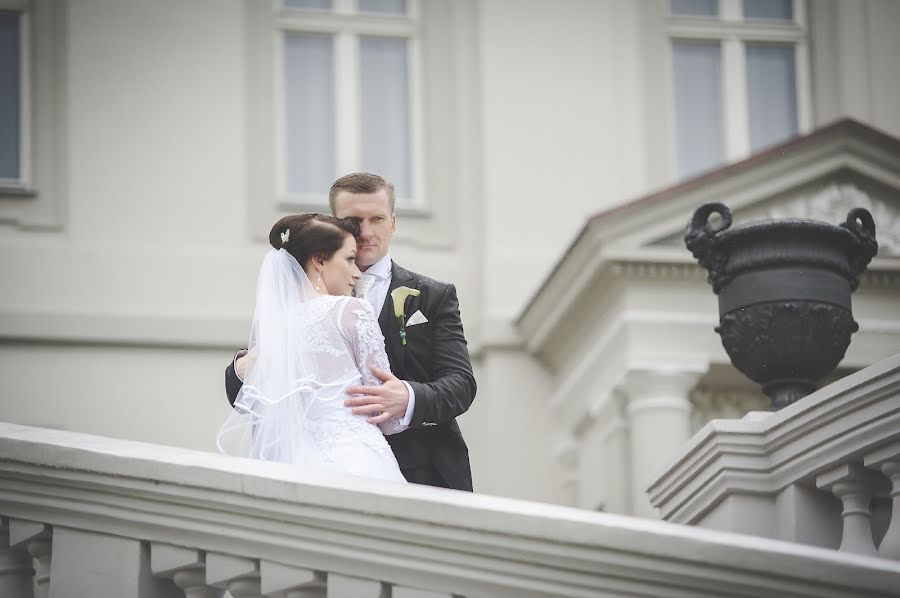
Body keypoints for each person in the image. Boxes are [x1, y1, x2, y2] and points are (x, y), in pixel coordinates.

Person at [226, 172, 477, 491]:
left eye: (377, 219)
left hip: (424, 475)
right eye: (354, 221)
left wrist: (410, 397)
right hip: (319, 474)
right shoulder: (290, 300)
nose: (367, 232)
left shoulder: (433, 296)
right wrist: (243, 367)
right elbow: (250, 394)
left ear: (394, 223)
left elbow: (461, 383)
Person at [218, 213, 407, 482]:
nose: (356, 272)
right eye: (349, 259)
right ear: (319, 261)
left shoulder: (276, 330)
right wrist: (408, 405)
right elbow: (385, 415)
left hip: (295, 464)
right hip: (356, 459)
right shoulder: (351, 310)